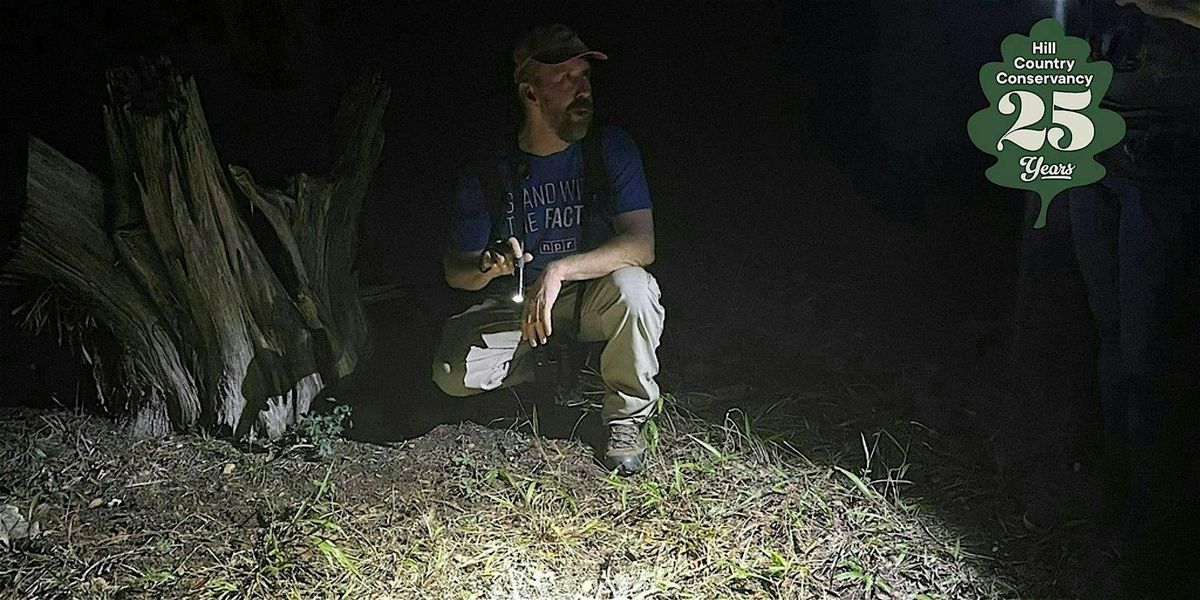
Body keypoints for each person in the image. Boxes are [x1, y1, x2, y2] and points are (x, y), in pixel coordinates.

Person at [431, 25, 664, 475]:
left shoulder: (608, 147)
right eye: (564, 79)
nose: (583, 90)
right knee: (450, 372)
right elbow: (455, 271)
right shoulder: (491, 167)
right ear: (530, 93)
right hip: (520, 309)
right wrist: (487, 267)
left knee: (635, 288)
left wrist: (557, 271)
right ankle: (543, 368)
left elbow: (641, 243)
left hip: (588, 298)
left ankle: (625, 417)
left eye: (584, 77)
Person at [1069, 0, 1200, 593]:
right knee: (1111, 331)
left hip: (1173, 148)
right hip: (1094, 134)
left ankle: (1151, 543)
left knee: (1151, 352)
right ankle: (1114, 500)